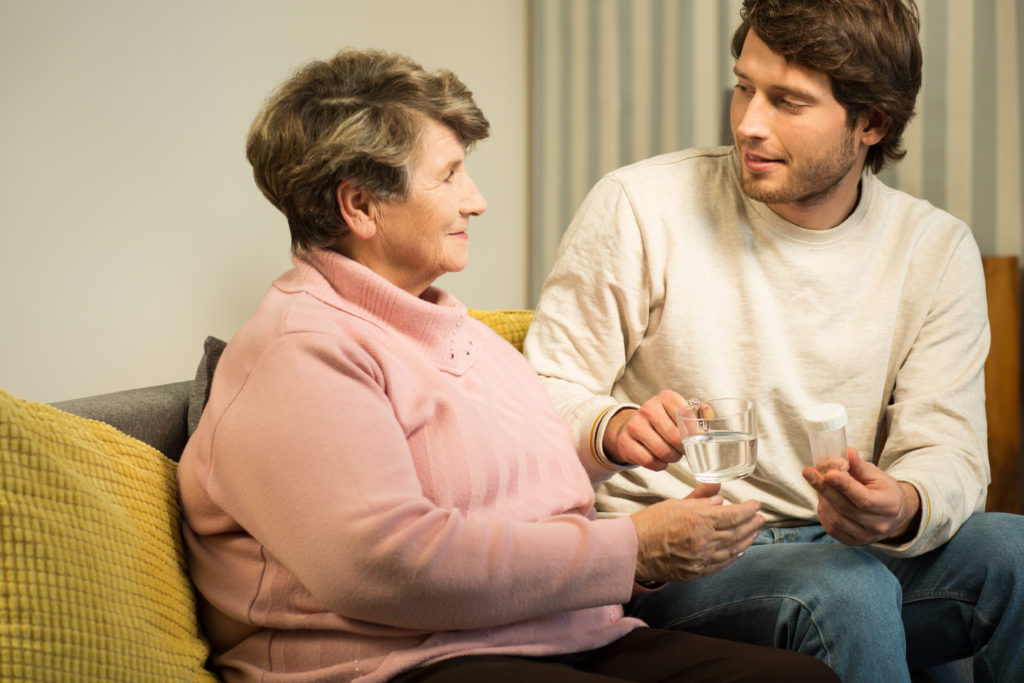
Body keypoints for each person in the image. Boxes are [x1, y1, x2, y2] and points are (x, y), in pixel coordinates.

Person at [176, 48, 838, 683]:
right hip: (395, 665)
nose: (476, 200)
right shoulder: (301, 349)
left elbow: (543, 515)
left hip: (554, 637)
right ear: (360, 205)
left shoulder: (470, 339)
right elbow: (387, 566)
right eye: (449, 175)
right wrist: (631, 547)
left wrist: (630, 485)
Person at [522, 1, 1024, 682]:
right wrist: (614, 423)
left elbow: (948, 447)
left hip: (850, 546)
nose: (748, 123)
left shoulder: (932, 249)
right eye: (744, 87)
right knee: (845, 591)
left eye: (787, 101)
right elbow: (539, 392)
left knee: (1014, 553)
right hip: (688, 551)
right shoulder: (641, 205)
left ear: (870, 123)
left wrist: (898, 503)